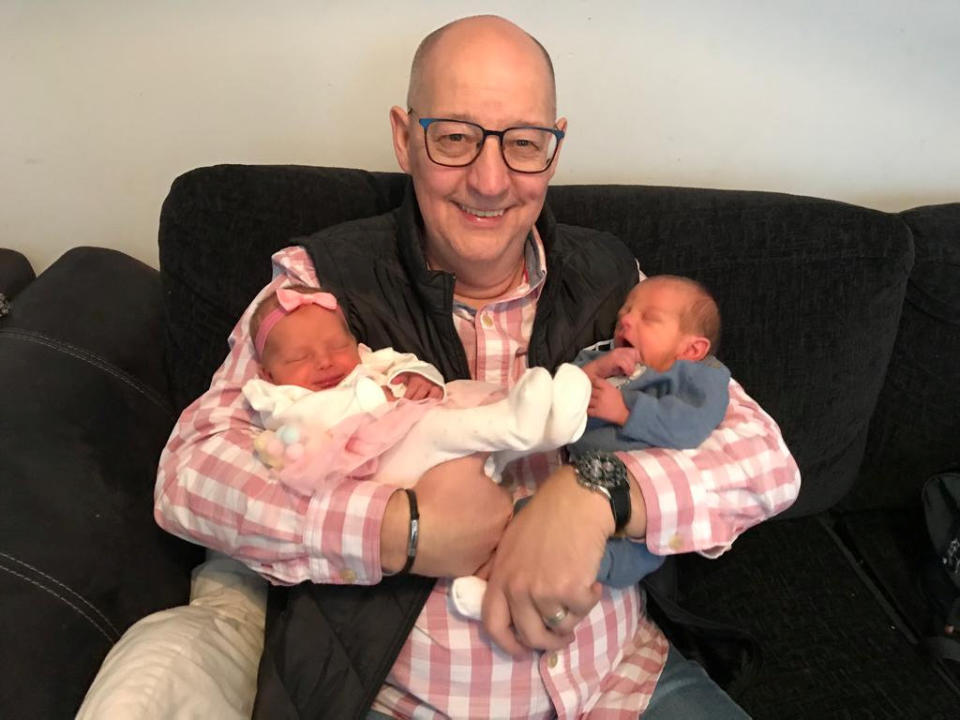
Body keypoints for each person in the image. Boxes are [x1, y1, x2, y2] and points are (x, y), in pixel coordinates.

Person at [155, 14, 801, 719]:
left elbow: (762, 458)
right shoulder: (319, 287)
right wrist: (402, 528)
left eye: (523, 143)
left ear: (553, 151)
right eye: (456, 138)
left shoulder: (616, 282)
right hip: (400, 699)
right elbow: (190, 476)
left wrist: (595, 496)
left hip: (620, 681)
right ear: (406, 138)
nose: (490, 180)